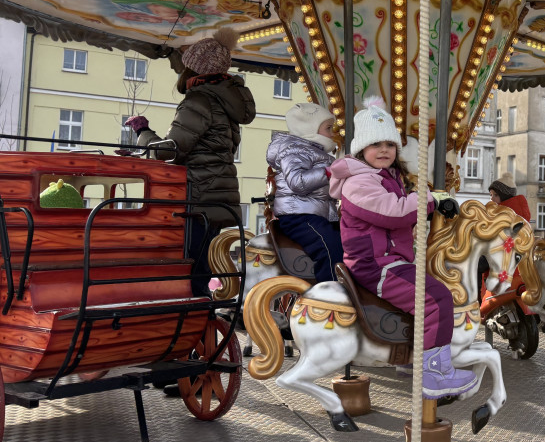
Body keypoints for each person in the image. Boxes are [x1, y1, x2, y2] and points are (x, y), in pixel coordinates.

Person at [328, 97, 475, 399]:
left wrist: (432, 201)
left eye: (390, 145)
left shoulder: (386, 178)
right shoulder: (359, 183)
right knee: (436, 299)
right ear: (360, 150)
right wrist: (429, 199)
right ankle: (435, 376)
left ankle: (410, 359)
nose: (384, 150)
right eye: (376, 145)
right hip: (375, 263)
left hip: (392, 259)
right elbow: (392, 212)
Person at [124, 29, 256, 297]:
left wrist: (142, 132)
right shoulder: (227, 102)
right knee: (203, 267)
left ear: (194, 68)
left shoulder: (199, 101)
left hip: (197, 197)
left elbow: (170, 152)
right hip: (218, 196)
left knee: (189, 269)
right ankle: (202, 321)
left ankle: (192, 323)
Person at [266, 103, 343, 284]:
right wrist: (330, 171)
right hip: (299, 216)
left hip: (318, 214)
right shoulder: (294, 149)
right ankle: (331, 292)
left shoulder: (316, 153)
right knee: (328, 245)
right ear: (310, 128)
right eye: (328, 128)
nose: (332, 134)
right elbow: (297, 181)